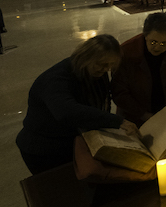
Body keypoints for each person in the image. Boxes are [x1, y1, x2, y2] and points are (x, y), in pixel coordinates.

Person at [15, 35, 137, 174]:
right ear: (86, 56)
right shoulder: (56, 78)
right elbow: (66, 111)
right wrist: (117, 121)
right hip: (44, 149)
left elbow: (100, 103)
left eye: (110, 65)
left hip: (72, 142)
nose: (105, 69)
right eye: (102, 64)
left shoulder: (95, 72)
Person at [110, 13, 166, 126]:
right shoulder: (127, 52)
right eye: (153, 42)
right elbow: (119, 91)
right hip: (136, 116)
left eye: (164, 43)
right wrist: (143, 115)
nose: (157, 47)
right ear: (145, 35)